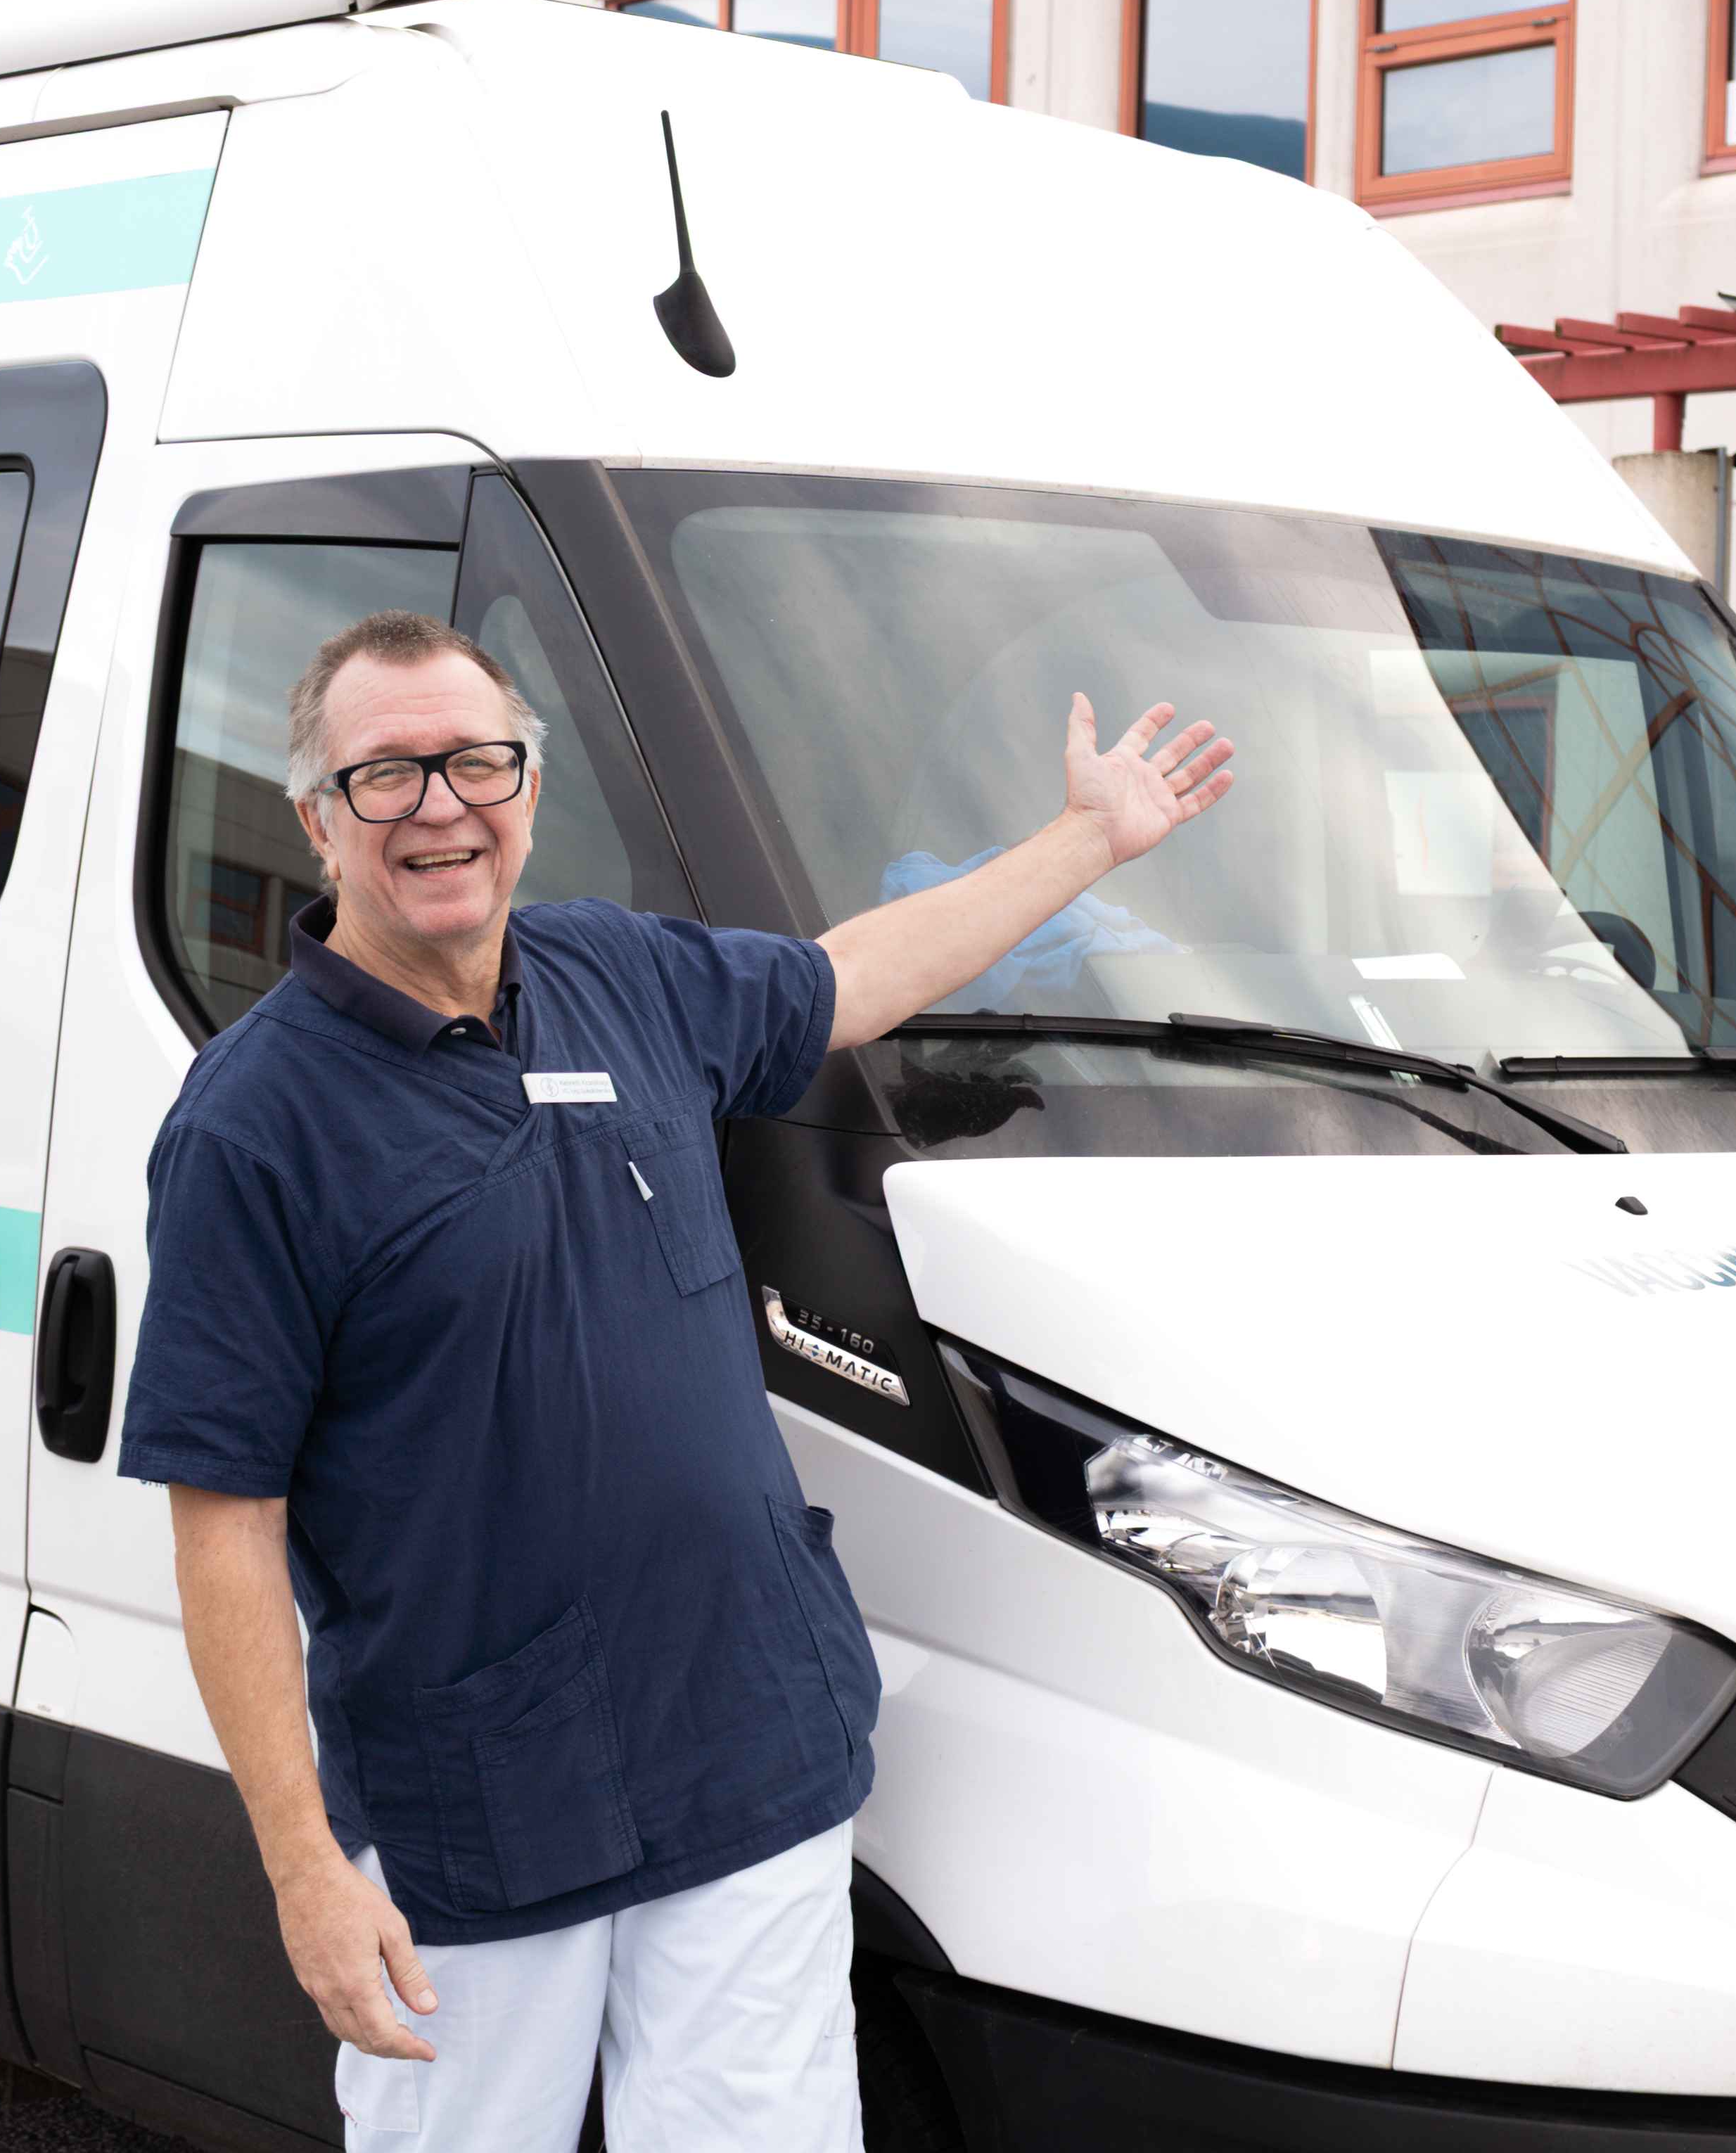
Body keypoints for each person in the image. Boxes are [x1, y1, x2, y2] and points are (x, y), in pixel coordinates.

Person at [116, 610, 1231, 2151]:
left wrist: (1088, 840)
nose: (440, 806)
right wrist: (305, 1866)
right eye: (386, 775)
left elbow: (848, 979)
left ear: (529, 785)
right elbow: (224, 1522)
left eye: (476, 761)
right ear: (317, 817)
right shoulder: (253, 1123)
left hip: (743, 1750)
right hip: (480, 1813)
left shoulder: (620, 972)